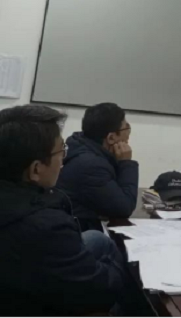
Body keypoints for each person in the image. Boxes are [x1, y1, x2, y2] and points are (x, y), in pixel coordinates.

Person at [0, 105, 125, 315]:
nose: (63, 161)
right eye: (61, 151)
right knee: (121, 280)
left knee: (98, 239)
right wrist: (116, 272)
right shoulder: (44, 226)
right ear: (36, 169)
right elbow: (99, 294)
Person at [57, 103, 138, 232]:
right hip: (78, 232)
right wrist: (126, 163)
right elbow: (124, 208)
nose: (128, 134)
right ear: (111, 137)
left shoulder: (82, 147)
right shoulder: (91, 165)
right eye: (126, 128)